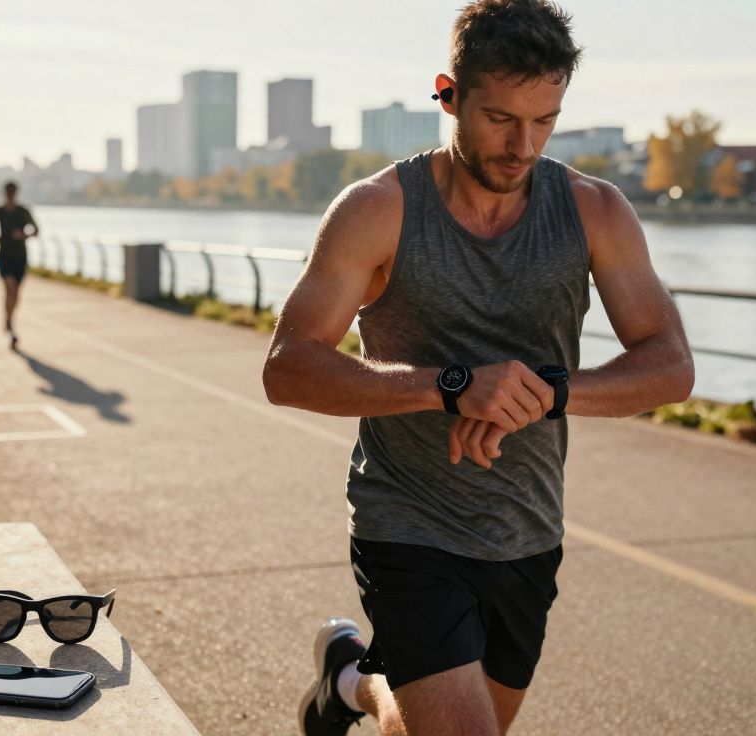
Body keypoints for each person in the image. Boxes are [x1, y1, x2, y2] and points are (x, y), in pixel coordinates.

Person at [262, 2, 695, 734]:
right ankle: (361, 678)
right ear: (448, 94)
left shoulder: (594, 210)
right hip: (407, 521)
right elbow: (289, 368)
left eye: (545, 120)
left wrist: (546, 393)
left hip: (527, 528)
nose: (523, 146)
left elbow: (669, 366)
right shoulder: (377, 210)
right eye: (499, 118)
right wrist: (454, 387)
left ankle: (347, 682)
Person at [0, 181, 39, 351]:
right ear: (5, 193)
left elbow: (36, 230)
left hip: (20, 258)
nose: (10, 194)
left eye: (12, 191)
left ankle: (8, 318)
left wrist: (23, 235)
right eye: (8, 192)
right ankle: (10, 324)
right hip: (4, 257)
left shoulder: (24, 211)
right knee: (10, 287)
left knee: (15, 293)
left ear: (16, 193)